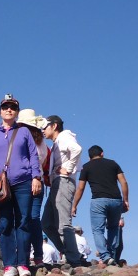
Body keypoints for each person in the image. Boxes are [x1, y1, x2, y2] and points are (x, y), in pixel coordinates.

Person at [0, 95, 42, 276]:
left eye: (12, 107)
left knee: (23, 222)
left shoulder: (24, 132)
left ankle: (22, 263)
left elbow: (33, 156)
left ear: (16, 112)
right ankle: (9, 265)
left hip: (23, 182)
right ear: (0, 111)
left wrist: (36, 177)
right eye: (5, 107)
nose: (9, 109)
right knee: (4, 224)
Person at [72, 145, 129, 266]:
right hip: (115, 199)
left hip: (98, 200)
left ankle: (105, 256)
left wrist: (74, 205)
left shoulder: (86, 167)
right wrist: (126, 200)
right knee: (113, 228)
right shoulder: (113, 164)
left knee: (98, 230)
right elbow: (123, 181)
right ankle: (111, 255)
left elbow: (80, 188)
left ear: (89, 157)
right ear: (102, 153)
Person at [41, 114, 85, 267]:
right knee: (46, 223)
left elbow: (77, 149)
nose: (43, 130)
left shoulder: (64, 137)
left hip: (64, 182)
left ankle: (74, 259)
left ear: (54, 126)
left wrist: (69, 168)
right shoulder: (56, 142)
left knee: (63, 223)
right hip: (57, 184)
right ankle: (70, 252)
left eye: (45, 126)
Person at [16, 109, 49, 265]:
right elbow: (42, 164)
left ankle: (23, 254)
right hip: (39, 181)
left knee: (23, 219)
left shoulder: (21, 139)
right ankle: (38, 256)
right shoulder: (43, 143)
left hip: (24, 181)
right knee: (34, 218)